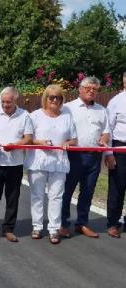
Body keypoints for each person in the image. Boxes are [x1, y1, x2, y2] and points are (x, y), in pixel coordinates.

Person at [0, 87, 33, 242]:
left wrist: (16, 145)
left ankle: (8, 228)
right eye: (3, 101)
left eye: (9, 102)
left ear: (16, 100)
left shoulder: (25, 115)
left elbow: (28, 138)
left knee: (12, 197)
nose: (5, 105)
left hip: (15, 164)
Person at [24, 85, 77, 244]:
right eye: (51, 97)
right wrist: (39, 142)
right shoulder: (35, 116)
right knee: (37, 195)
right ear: (45, 98)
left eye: (58, 97)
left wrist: (68, 143)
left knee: (56, 196)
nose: (54, 100)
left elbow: (74, 139)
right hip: (38, 161)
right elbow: (28, 138)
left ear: (62, 100)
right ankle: (37, 226)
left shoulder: (67, 117)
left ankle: (54, 229)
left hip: (59, 162)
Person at [61, 77, 109, 239]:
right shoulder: (67, 108)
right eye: (88, 88)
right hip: (73, 156)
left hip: (94, 157)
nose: (91, 91)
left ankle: (82, 223)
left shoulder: (102, 110)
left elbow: (106, 131)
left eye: (95, 89)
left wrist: (103, 140)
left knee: (87, 192)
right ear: (80, 89)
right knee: (67, 191)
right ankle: (63, 224)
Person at [104, 72, 126, 238]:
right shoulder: (116, 102)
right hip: (120, 148)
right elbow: (108, 129)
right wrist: (109, 153)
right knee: (117, 187)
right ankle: (113, 223)